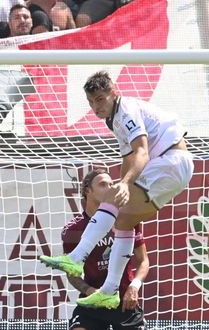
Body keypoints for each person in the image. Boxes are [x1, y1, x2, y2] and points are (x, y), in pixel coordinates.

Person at [41, 71, 193, 310]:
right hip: (173, 167)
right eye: (91, 102)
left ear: (113, 92)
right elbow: (128, 157)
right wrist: (124, 181)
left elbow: (141, 152)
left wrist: (124, 184)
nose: (95, 106)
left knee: (113, 197)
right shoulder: (114, 119)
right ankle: (110, 292)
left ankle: (76, 258)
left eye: (100, 99)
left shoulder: (126, 110)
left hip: (170, 161)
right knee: (122, 222)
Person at [61, 169, 165, 330]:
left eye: (112, 182)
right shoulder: (72, 231)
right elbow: (71, 273)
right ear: (88, 191)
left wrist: (135, 286)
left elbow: (143, 262)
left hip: (124, 300)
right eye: (103, 183)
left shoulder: (125, 218)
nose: (111, 187)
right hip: (94, 301)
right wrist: (87, 290)